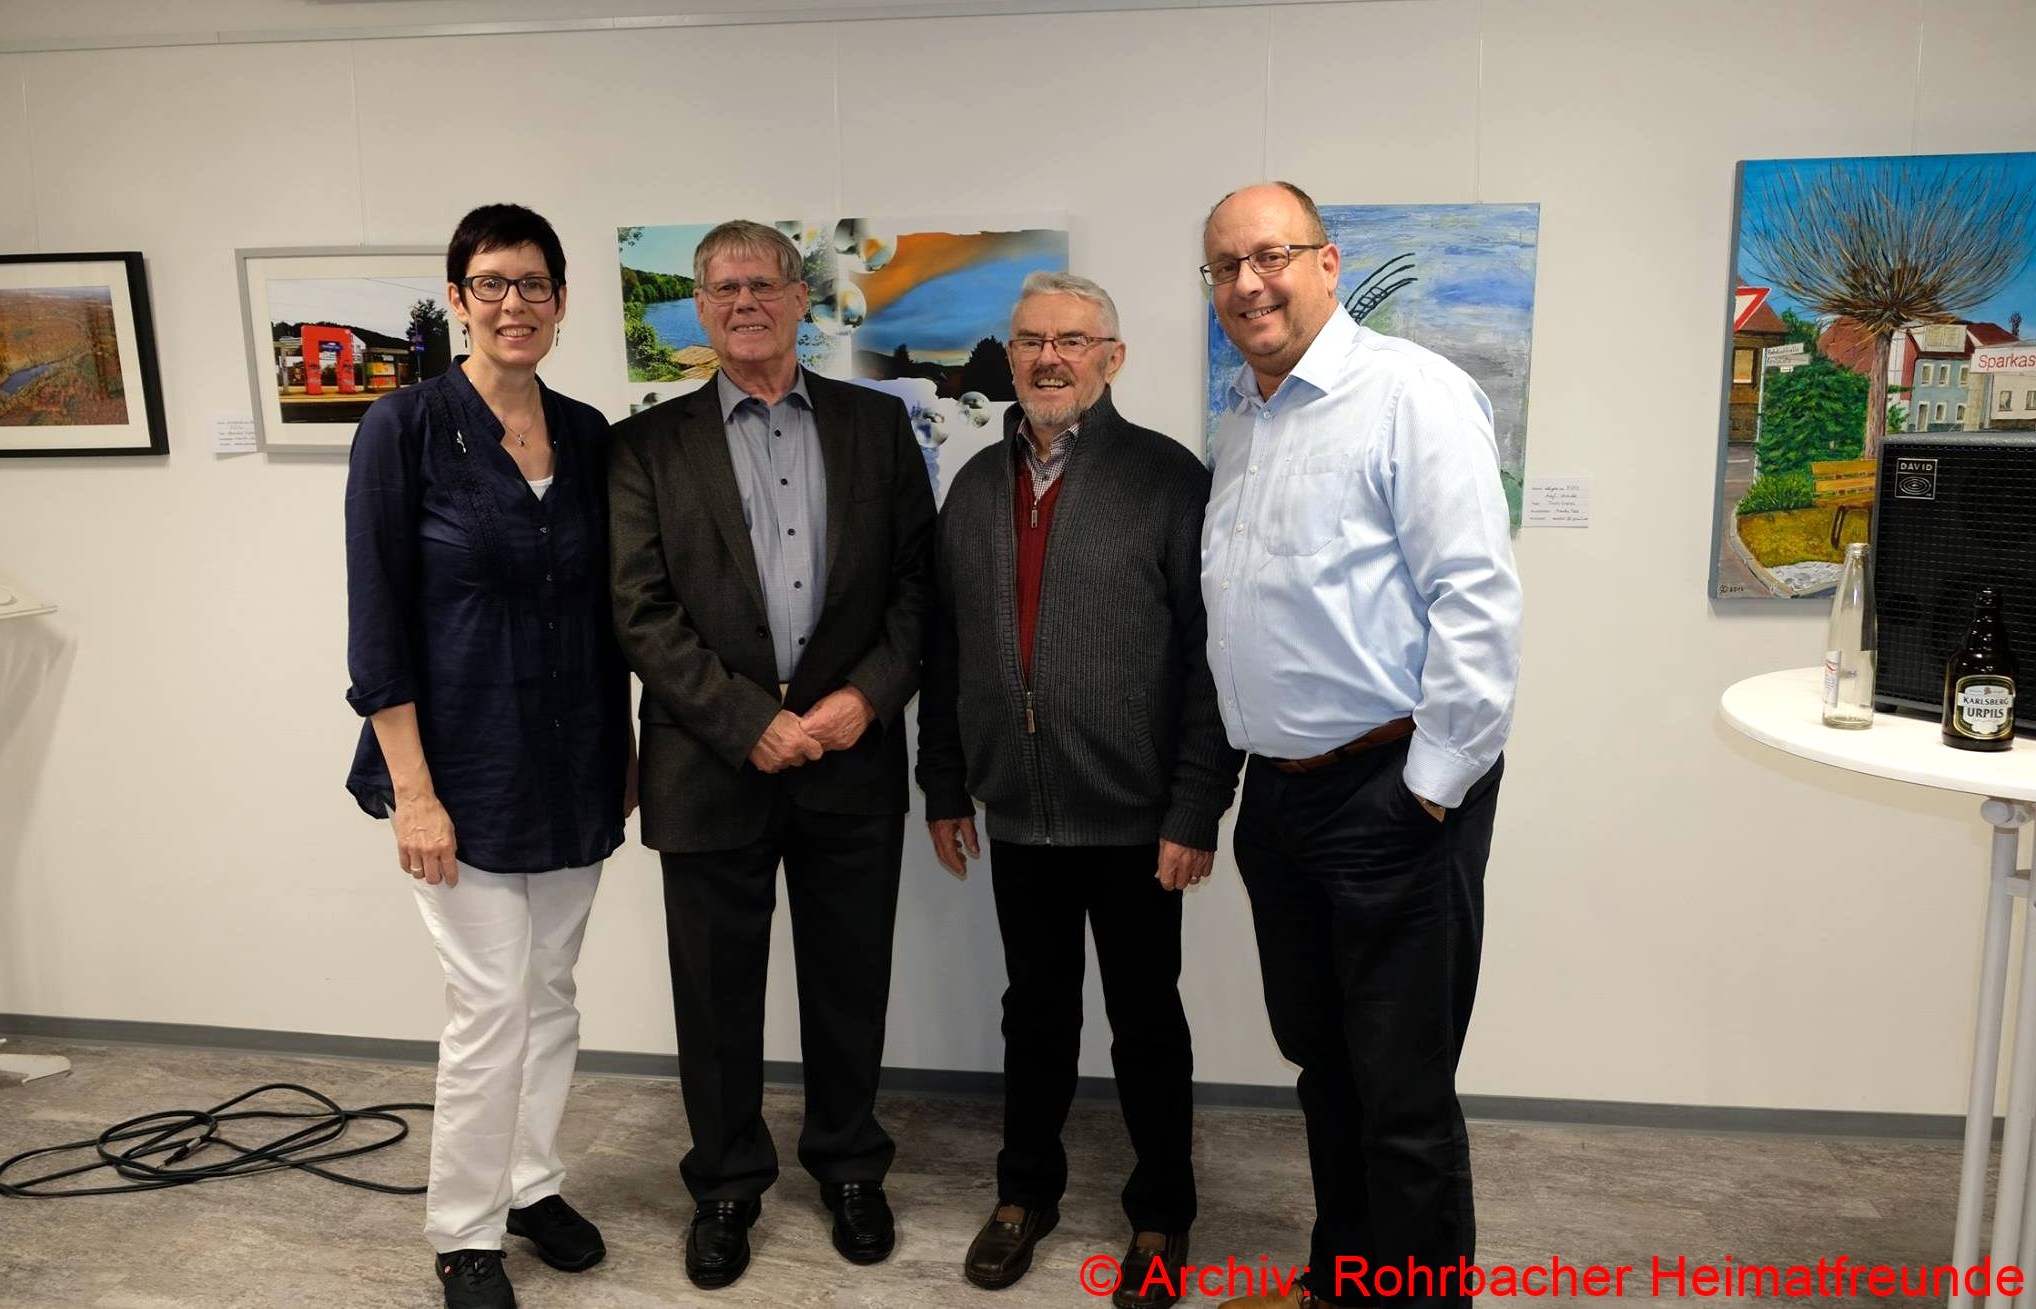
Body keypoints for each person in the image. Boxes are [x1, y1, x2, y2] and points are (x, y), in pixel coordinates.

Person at [1198, 183, 1523, 1309]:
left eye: (1270, 255)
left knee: (1401, 1096)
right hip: (1282, 806)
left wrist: (1427, 791)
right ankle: (1342, 1286)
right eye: (1226, 266)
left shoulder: (1410, 395)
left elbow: (1475, 602)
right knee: (1325, 1073)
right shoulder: (1243, 423)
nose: (1248, 283)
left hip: (1390, 796)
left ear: (1327, 263)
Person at [607, 220, 935, 1292]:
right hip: (708, 762)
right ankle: (725, 1185)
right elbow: (640, 611)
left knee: (849, 982)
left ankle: (850, 1166)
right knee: (714, 997)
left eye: (763, 283)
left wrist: (864, 699)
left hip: (851, 754)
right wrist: (746, 719)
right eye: (722, 287)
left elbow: (917, 588)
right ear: (700, 309)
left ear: (801, 299)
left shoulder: (876, 426)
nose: (744, 301)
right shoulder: (645, 446)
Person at [915, 271, 1240, 1308]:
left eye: (1071, 340)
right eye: (1030, 341)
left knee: (1145, 1023)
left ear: (1112, 357)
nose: (1048, 358)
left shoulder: (1166, 480)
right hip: (1017, 811)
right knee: (1035, 1017)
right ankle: (1025, 1193)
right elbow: (945, 649)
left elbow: (1210, 658)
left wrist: (1195, 806)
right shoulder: (974, 485)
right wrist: (943, 784)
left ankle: (1161, 1212)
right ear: (1008, 356)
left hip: (1137, 818)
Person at [344, 203, 634, 1309]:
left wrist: (627, 749)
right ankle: (465, 1231)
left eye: (535, 283)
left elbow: (613, 614)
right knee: (489, 1003)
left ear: (562, 300)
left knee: (551, 991)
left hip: (574, 761)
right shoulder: (404, 427)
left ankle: (530, 1183)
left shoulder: (589, 433)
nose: (516, 303)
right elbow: (377, 623)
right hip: (455, 770)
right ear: (460, 299)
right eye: (492, 283)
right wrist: (413, 792)